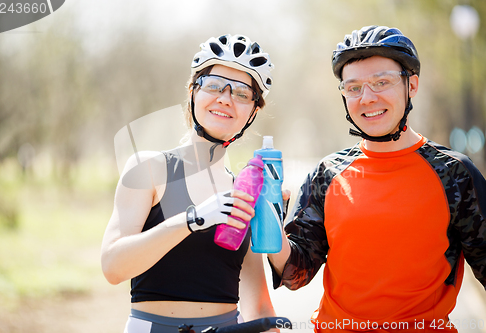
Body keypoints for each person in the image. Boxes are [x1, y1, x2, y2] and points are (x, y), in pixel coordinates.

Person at [268, 25, 486, 332]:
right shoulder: (327, 174)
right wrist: (270, 229)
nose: (367, 98)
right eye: (353, 88)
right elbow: (296, 274)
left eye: (381, 82)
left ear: (412, 85)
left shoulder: (454, 173)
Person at [101, 34, 277, 333]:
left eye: (242, 93)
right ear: (193, 92)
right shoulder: (150, 168)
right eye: (213, 85)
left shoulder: (246, 193)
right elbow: (113, 267)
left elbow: (257, 304)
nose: (225, 98)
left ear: (253, 111)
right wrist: (192, 219)